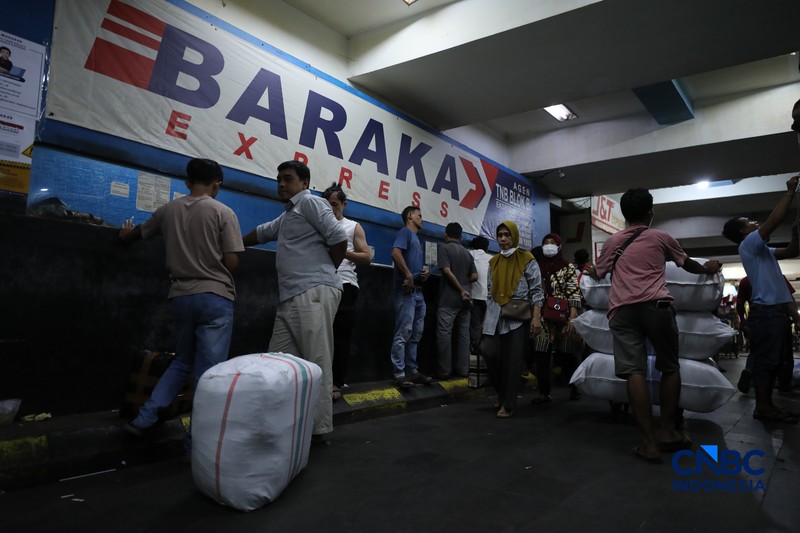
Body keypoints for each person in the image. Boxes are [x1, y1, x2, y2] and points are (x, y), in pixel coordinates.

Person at [586, 188, 721, 463]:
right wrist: (707, 269)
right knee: (670, 367)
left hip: (622, 311)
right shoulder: (661, 237)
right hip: (657, 307)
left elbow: (599, 274)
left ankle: (648, 443)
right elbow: (686, 264)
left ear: (624, 215)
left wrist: (589, 270)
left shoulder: (612, 242)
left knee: (634, 372)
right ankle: (667, 432)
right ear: (650, 212)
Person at [119, 158, 244, 450]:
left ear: (187, 182)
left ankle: (143, 419)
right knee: (209, 376)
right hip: (214, 297)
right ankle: (194, 443)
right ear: (217, 185)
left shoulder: (168, 210)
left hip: (180, 296)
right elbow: (232, 261)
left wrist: (124, 235)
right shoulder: (223, 212)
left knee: (182, 361)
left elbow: (137, 234)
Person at [243, 160, 347, 444]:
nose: (281, 184)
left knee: (317, 360)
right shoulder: (289, 214)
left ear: (304, 183)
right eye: (279, 179)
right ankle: (279, 424)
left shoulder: (311, 203)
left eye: (287, 178)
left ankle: (318, 429)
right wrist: (234, 243)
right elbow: (263, 232)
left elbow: (338, 238)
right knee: (278, 362)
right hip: (290, 296)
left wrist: (326, 270)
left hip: (313, 290)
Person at [722, 174, 800, 424]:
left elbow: (792, 251)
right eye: (750, 222)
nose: (755, 223)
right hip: (766, 313)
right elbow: (774, 221)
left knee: (773, 361)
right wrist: (790, 191)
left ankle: (767, 406)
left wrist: (796, 233)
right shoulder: (748, 245)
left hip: (773, 312)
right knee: (767, 361)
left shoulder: (762, 250)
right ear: (743, 231)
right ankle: (764, 408)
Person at [481, 221, 544, 418]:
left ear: (514, 236)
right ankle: (501, 393)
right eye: (500, 235)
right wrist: (486, 318)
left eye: (507, 235)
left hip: (517, 317)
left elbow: (536, 291)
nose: (503, 238)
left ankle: (507, 404)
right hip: (495, 315)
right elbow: (490, 292)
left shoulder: (527, 259)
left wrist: (536, 318)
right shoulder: (493, 262)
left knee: (512, 361)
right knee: (489, 351)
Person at [323, 182, 373, 401]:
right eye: (328, 205)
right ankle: (318, 380)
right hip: (320, 283)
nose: (331, 208)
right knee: (318, 335)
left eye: (335, 204)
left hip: (345, 284)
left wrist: (342, 251)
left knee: (340, 337)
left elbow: (367, 257)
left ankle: (335, 382)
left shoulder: (353, 227)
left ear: (344, 204)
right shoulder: (319, 227)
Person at [531, 233, 583, 404]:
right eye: (546, 242)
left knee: (567, 353)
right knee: (541, 353)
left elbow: (573, 291)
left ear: (559, 246)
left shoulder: (567, 267)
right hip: (543, 314)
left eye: (552, 243)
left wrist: (572, 317)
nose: (549, 245)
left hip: (563, 314)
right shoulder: (537, 267)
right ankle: (544, 392)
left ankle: (575, 387)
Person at [390, 206, 434, 388]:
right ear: (410, 216)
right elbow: (395, 252)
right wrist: (408, 275)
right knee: (403, 333)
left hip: (418, 292)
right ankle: (399, 374)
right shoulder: (405, 232)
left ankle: (412, 371)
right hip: (406, 292)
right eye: (419, 216)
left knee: (415, 334)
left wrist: (424, 273)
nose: (422, 219)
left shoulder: (416, 239)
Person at [735, 275, 799, 396]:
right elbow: (789, 300)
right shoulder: (778, 277)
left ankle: (749, 370)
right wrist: (797, 320)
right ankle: (784, 385)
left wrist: (743, 320)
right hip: (777, 317)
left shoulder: (746, 280)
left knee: (756, 350)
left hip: (755, 318)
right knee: (783, 353)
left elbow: (740, 303)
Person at [434, 223, 477, 380]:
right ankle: (463, 369)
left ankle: (444, 370)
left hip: (449, 299)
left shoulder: (444, 248)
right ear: (461, 236)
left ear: (446, 234)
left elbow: (446, 270)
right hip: (466, 300)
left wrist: (459, 288)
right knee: (464, 335)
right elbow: (475, 277)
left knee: (444, 334)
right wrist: (465, 284)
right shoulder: (467, 253)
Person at [468, 236, 492, 355]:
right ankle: (486, 347)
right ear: (486, 248)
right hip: (488, 296)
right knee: (487, 324)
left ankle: (476, 347)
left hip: (474, 295)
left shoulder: (470, 254)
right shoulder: (491, 258)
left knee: (475, 324)